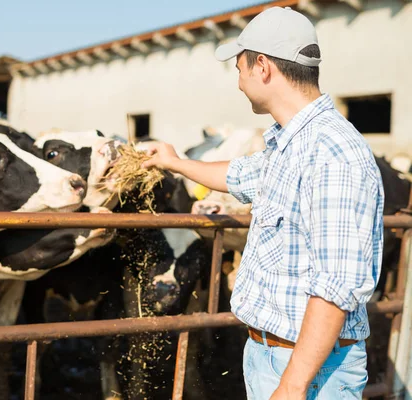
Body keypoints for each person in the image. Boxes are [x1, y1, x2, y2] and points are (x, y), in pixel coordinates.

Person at [142, 6, 385, 400]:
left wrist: (291, 386)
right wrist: (175, 162)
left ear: (263, 67)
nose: (238, 82)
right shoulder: (290, 145)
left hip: (310, 371)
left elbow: (335, 287)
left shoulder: (332, 152)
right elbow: (237, 176)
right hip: (272, 354)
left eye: (239, 68)